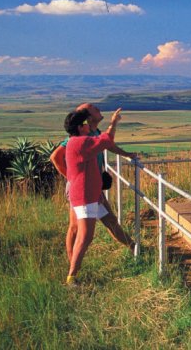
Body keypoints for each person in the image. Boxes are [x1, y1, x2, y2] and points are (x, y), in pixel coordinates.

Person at [58, 107, 137, 285]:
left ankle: (134, 247)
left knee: (110, 220)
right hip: (85, 196)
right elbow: (107, 140)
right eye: (85, 123)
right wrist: (114, 122)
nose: (88, 125)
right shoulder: (80, 142)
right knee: (85, 235)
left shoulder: (77, 141)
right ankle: (72, 276)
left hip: (92, 194)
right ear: (80, 127)